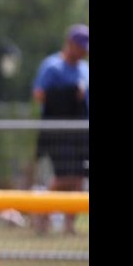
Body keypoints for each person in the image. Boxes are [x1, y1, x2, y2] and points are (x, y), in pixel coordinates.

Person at [28, 24, 89, 235]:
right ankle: (42, 218)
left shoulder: (84, 69)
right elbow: (39, 94)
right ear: (69, 43)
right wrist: (69, 94)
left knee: (80, 177)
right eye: (80, 46)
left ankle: (69, 226)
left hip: (81, 132)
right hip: (59, 131)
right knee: (64, 177)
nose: (83, 52)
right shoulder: (52, 66)